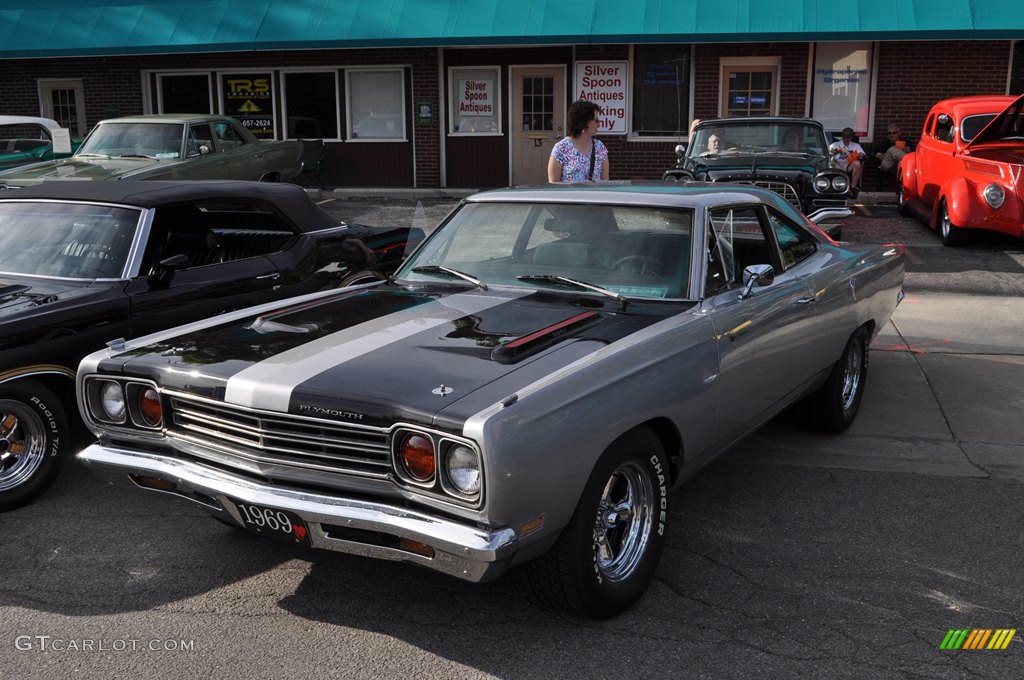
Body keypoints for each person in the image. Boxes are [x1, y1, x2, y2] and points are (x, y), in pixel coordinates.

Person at [548, 100, 609, 183]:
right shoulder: (561, 148)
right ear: (584, 123)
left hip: (594, 196)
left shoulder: (600, 148)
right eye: (596, 120)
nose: (599, 124)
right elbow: (554, 187)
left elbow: (605, 183)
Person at [829, 127, 866, 194]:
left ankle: (853, 188)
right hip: (837, 165)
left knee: (857, 163)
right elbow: (829, 152)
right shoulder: (835, 144)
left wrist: (860, 155)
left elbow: (863, 155)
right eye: (844, 138)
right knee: (832, 160)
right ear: (842, 137)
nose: (846, 140)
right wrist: (839, 150)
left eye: (848, 138)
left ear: (851, 137)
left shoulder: (855, 146)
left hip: (848, 166)